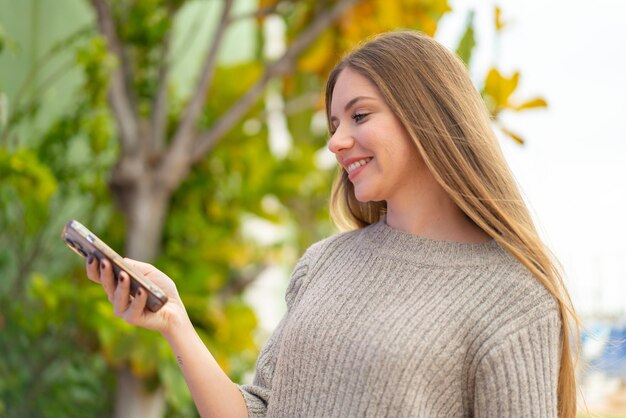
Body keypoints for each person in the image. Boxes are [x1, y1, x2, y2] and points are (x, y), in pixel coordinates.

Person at [86, 30, 579, 417]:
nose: (337, 142)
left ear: (426, 113)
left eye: (358, 116)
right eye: (334, 125)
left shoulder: (513, 297)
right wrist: (175, 322)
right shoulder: (323, 264)